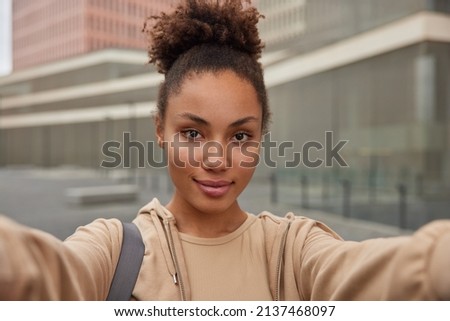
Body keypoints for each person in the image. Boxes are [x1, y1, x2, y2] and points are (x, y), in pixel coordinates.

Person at [0, 0, 450, 301]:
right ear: (160, 131)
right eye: (193, 134)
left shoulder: (292, 250)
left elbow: (390, 271)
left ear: (260, 139)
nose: (217, 159)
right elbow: (45, 275)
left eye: (240, 137)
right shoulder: (115, 249)